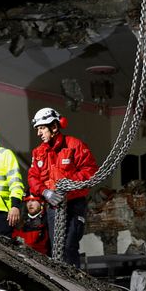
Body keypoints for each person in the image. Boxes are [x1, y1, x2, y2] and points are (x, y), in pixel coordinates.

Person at [27, 107, 98, 267]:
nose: (39, 133)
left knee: (68, 246)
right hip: (53, 206)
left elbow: (90, 171)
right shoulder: (38, 152)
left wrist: (66, 187)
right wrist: (45, 192)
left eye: (42, 128)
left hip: (74, 205)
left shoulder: (74, 145)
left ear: (54, 127)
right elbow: (33, 177)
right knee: (56, 248)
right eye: (38, 129)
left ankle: (74, 286)